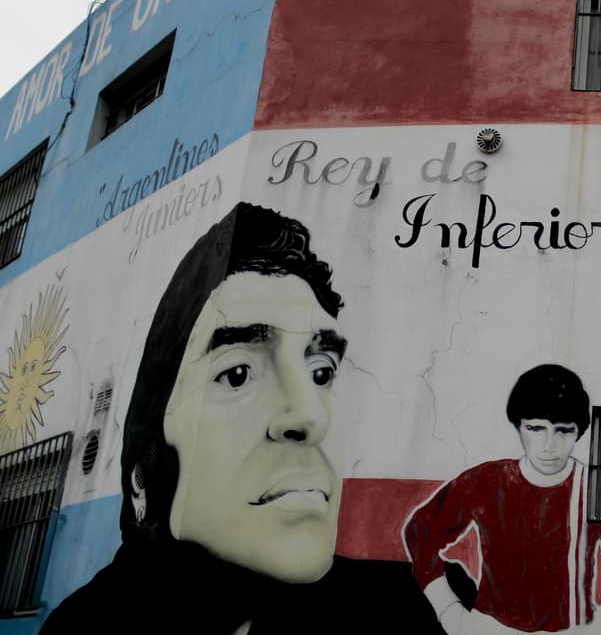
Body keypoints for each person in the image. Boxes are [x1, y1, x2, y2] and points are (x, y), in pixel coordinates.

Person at [44, 202, 440, 634]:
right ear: (143, 473)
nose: (310, 416)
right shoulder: (85, 625)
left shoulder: (392, 613)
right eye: (237, 374)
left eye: (321, 373)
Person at [403, 364, 601, 633]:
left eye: (563, 430)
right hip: (491, 627)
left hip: (572, 629)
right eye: (535, 428)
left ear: (578, 431)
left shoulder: (593, 487)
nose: (549, 444)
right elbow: (421, 531)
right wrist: (449, 611)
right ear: (518, 427)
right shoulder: (485, 482)